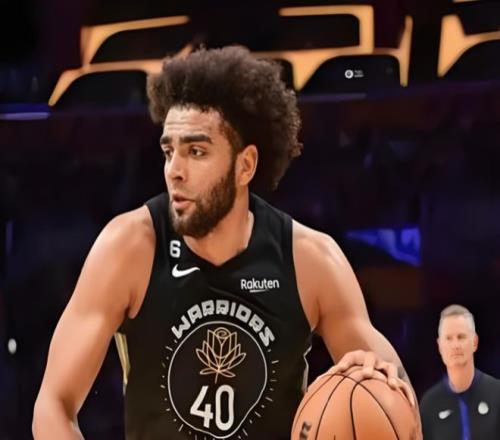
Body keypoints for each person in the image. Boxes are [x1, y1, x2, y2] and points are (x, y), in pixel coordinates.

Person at [33, 46, 418, 440]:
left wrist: (379, 379)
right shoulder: (130, 247)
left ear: (244, 165)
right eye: (169, 151)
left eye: (196, 151)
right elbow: (52, 406)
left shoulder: (310, 259)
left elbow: (399, 400)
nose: (174, 171)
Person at [420, 304, 500, 439]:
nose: (455, 345)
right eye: (449, 338)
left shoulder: (497, 393)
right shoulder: (429, 404)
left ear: (474, 342)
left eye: (461, 337)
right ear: (439, 346)